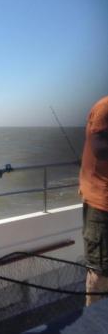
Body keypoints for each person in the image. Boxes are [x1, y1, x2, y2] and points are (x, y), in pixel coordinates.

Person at [79, 95, 108, 306]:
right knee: (100, 272)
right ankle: (92, 321)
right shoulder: (104, 107)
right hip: (102, 203)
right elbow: (100, 148)